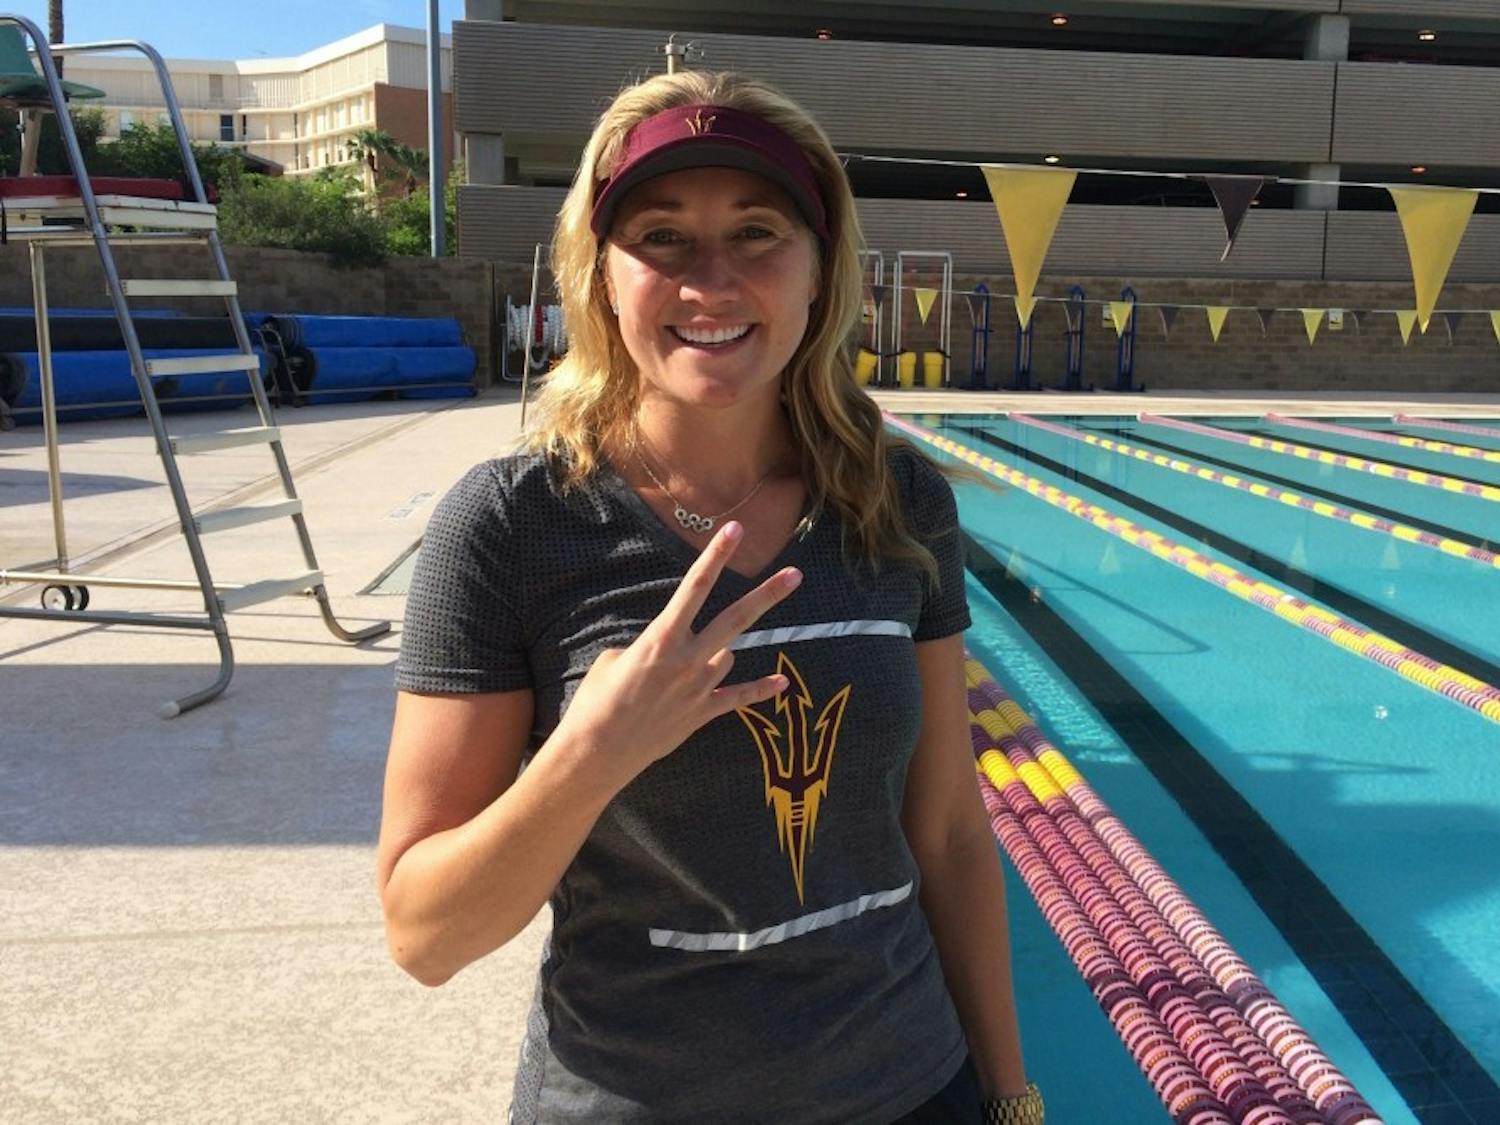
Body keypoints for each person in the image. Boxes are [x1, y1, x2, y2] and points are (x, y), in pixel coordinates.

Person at [376, 69, 1042, 1124]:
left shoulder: (894, 495)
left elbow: (952, 830)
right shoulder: (511, 525)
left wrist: (1010, 1097)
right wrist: (591, 751)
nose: (713, 283)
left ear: (822, 271)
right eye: (664, 239)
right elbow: (425, 934)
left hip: (914, 1090)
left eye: (759, 233)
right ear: (600, 277)